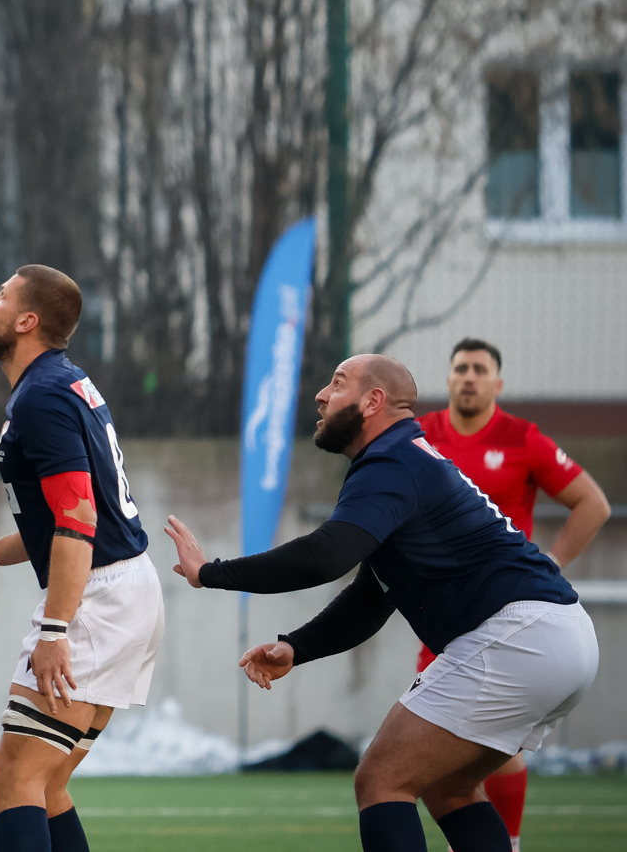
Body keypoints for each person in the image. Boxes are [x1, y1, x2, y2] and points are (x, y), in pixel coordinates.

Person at [165, 353, 599, 852]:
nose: (321, 395)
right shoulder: (406, 458)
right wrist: (296, 647)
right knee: (448, 789)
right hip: (563, 637)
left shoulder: (392, 461)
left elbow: (324, 557)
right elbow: (371, 597)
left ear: (373, 402)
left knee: (380, 781)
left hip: (519, 638)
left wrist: (210, 573)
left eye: (337, 383)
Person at [0, 267, 162, 852]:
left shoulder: (43, 396)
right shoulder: (60, 383)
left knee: (15, 778)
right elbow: (64, 517)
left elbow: (78, 520)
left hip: (97, 599)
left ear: (27, 321)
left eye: (1, 296)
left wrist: (56, 629)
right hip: (124, 590)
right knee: (47, 784)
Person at [413, 338, 611, 851]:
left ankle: (509, 842)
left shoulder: (522, 438)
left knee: (497, 746)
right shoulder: (422, 436)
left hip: (509, 615)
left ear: (497, 384)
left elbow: (592, 503)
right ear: (449, 379)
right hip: (440, 613)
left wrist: (552, 561)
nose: (470, 377)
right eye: (461, 368)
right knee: (430, 744)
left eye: (480, 369)